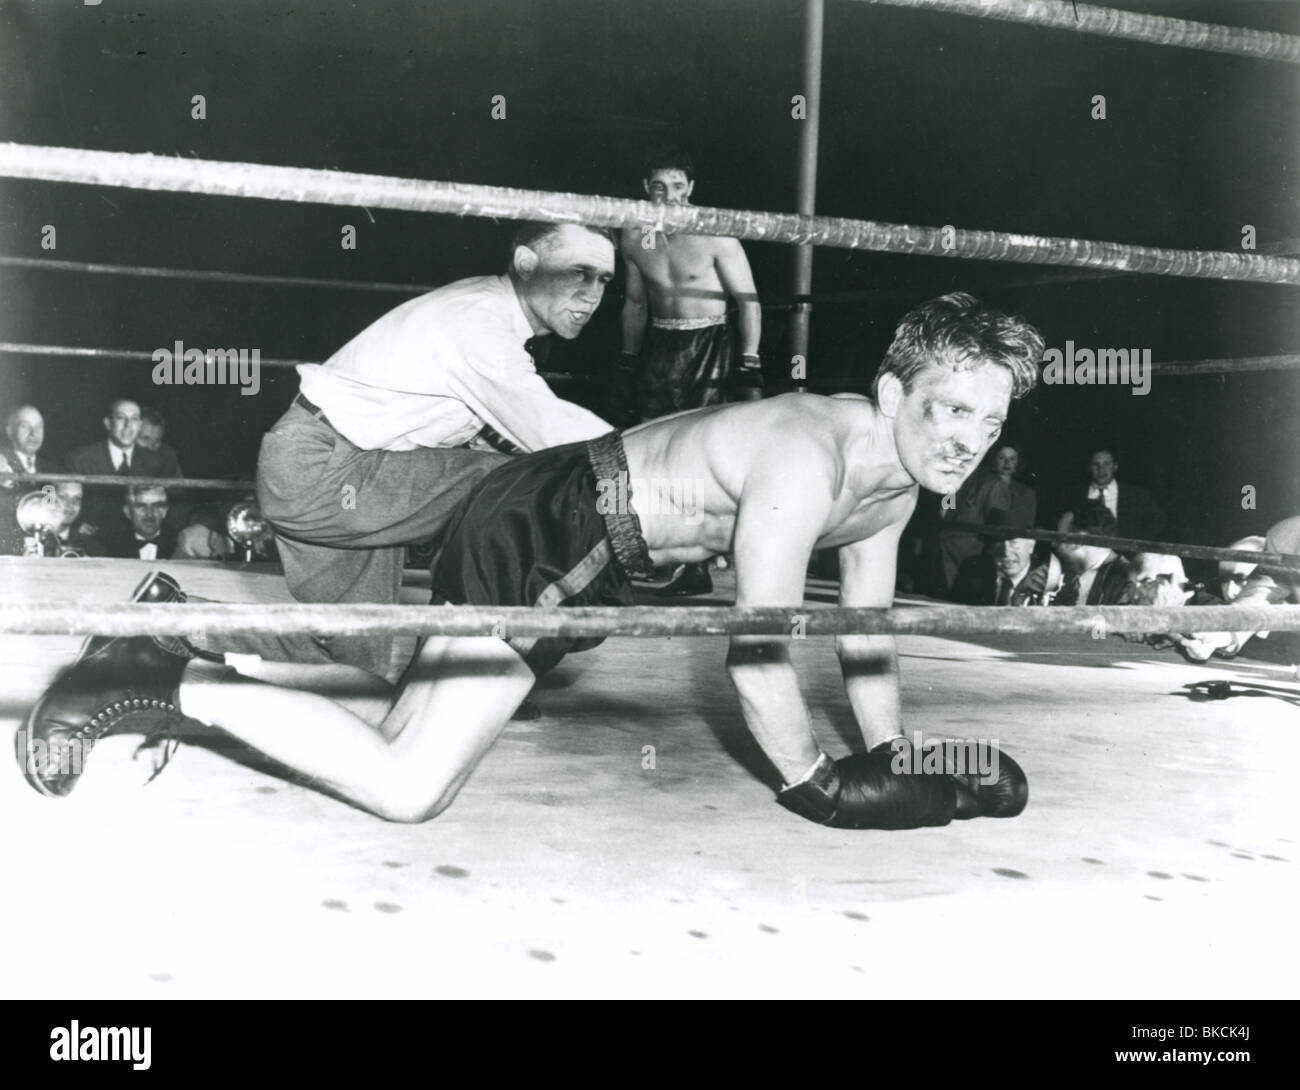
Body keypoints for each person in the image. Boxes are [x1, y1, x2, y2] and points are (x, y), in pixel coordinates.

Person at [25, 292, 1040, 831]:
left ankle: (181, 633)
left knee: (401, 726)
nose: (967, 444)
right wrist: (818, 784)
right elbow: (760, 653)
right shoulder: (806, 456)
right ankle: (161, 675)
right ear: (894, 395)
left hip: (577, 538)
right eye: (953, 413)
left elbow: (863, 639)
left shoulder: (896, 482)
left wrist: (903, 754)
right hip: (558, 530)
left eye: (989, 425)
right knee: (408, 783)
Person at [251, 221, 619, 678]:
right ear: (526, 263)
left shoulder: (486, 310)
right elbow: (551, 428)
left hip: (344, 465)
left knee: (354, 665)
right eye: (579, 272)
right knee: (515, 486)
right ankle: (471, 667)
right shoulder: (478, 321)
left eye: (604, 279)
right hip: (323, 468)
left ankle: (177, 626)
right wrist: (663, 471)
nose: (592, 295)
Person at [615, 147, 764, 598]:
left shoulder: (716, 233)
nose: (670, 196)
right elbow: (636, 301)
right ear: (646, 189)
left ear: (692, 188)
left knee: (701, 455)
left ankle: (697, 562)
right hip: (660, 346)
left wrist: (750, 360)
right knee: (649, 446)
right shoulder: (636, 236)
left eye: (679, 187)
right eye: (660, 187)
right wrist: (627, 357)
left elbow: (748, 301)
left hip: (709, 345)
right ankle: (657, 551)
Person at [65, 398, 183, 533]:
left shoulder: (157, 462)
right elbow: (51, 493)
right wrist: (76, 525)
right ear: (108, 423)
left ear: (139, 425)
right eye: (121, 418)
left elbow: (174, 507)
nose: (128, 425)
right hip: (92, 540)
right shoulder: (79, 459)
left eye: (134, 419)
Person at [937, 440, 1036, 595]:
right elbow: (945, 511)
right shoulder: (967, 481)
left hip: (975, 553)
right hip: (953, 551)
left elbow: (1002, 527)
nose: (1006, 463)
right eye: (1001, 457)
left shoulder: (1003, 487)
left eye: (1012, 459)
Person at [1013, 501, 1130, 606]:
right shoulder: (1060, 576)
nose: (1054, 544)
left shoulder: (1126, 581)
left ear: (1077, 540)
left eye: (1059, 537)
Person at [1056, 447, 1164, 541]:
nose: (1101, 469)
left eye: (1106, 463)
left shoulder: (1138, 495)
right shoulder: (1071, 494)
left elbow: (1158, 523)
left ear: (1115, 466)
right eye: (1095, 464)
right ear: (1089, 468)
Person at [102, 485, 177, 560]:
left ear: (164, 511)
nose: (149, 514)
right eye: (141, 506)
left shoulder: (180, 543)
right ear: (128, 512)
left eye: (156, 506)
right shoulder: (110, 544)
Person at [136, 408, 185, 474]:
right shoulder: (122, 457)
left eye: (156, 440)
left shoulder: (169, 458)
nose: (151, 445)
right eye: (145, 439)